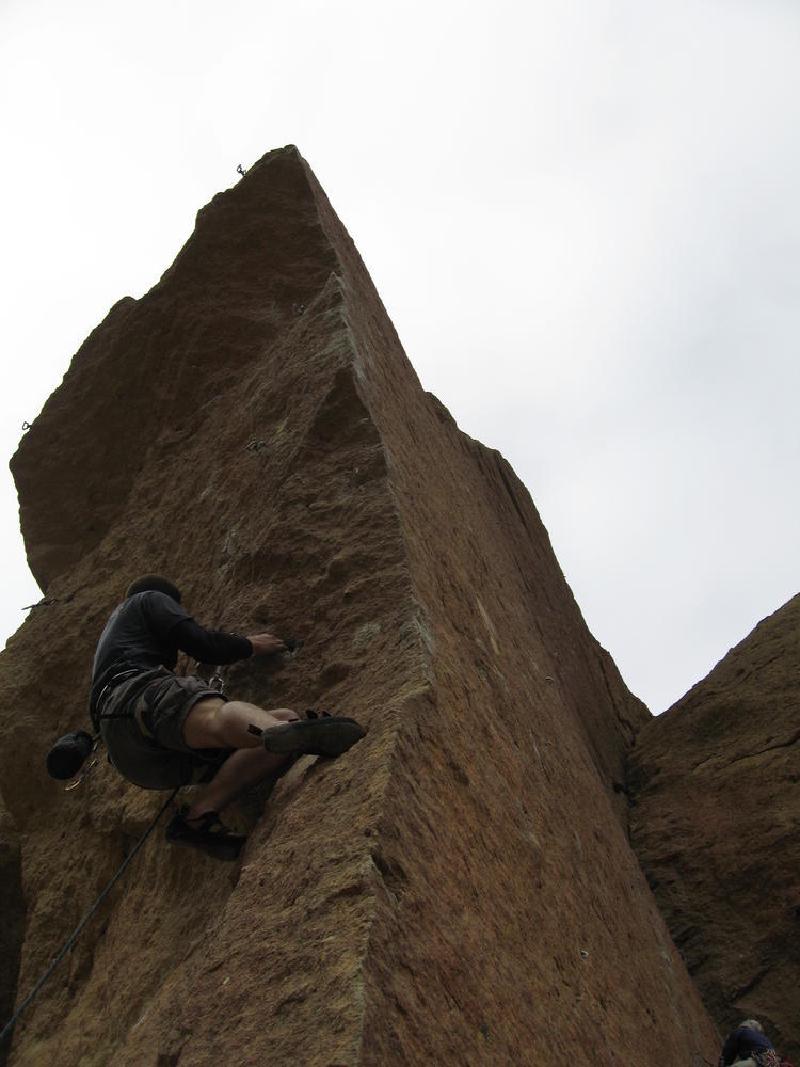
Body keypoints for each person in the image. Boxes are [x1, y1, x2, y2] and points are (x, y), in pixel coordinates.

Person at [91, 575, 365, 859]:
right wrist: (249, 645)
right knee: (216, 717)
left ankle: (197, 819)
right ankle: (278, 731)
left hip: (134, 760)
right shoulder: (147, 599)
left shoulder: (110, 641)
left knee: (286, 718)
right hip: (138, 695)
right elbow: (202, 644)